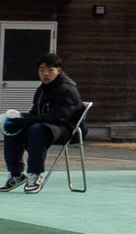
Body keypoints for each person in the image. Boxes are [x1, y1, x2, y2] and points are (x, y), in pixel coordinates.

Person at [2, 55, 82, 191]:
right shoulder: (42, 89)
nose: (46, 74)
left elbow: (58, 117)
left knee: (36, 129)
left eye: (50, 70)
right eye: (42, 70)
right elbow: (35, 113)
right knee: (10, 127)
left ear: (59, 71)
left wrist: (27, 121)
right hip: (46, 126)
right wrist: (18, 120)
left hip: (68, 129)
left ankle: (35, 174)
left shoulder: (66, 89)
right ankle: (16, 174)